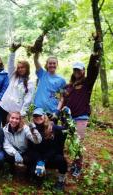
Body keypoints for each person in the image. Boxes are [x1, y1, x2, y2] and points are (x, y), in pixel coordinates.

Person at [63, 36, 101, 177]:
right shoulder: (69, 86)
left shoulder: (87, 83)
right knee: (71, 142)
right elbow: (62, 99)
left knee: (78, 142)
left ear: (83, 71)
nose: (77, 72)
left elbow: (93, 71)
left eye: (79, 70)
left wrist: (95, 53)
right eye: (75, 70)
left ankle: (78, 166)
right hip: (69, 118)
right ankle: (70, 164)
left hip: (81, 117)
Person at [28, 108, 68, 191]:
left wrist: (67, 117)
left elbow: (66, 130)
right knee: (32, 174)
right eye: (35, 116)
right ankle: (39, 175)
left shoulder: (53, 128)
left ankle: (61, 180)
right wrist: (39, 161)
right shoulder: (31, 130)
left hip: (50, 158)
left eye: (40, 115)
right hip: (38, 159)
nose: (38, 117)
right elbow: (31, 149)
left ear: (44, 116)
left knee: (61, 159)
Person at [0, 43, 35, 126]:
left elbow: (28, 100)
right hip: (4, 106)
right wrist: (13, 51)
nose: (20, 69)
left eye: (22, 67)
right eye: (19, 68)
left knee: (10, 130)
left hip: (15, 112)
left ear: (27, 68)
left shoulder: (30, 82)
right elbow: (10, 64)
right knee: (0, 128)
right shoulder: (13, 76)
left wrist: (21, 114)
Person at [33, 52, 66, 120]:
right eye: (50, 63)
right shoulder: (42, 74)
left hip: (52, 111)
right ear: (47, 65)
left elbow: (61, 98)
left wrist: (57, 111)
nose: (52, 65)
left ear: (57, 65)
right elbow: (35, 59)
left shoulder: (61, 80)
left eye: (54, 63)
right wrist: (37, 49)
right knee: (38, 130)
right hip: (39, 109)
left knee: (50, 130)